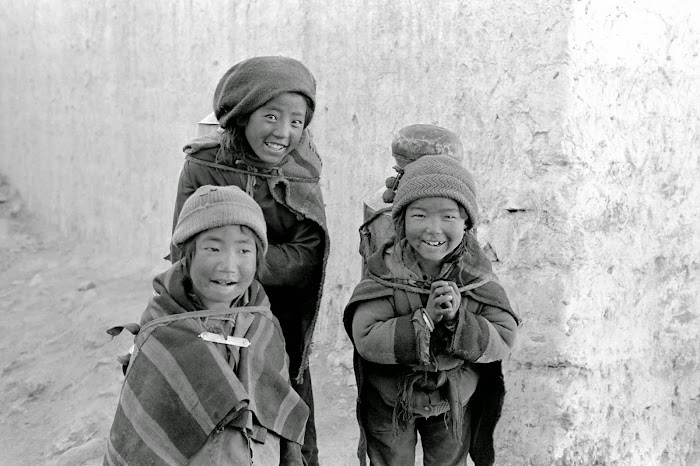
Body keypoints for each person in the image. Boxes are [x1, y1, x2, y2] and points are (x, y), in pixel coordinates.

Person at [170, 56, 329, 465]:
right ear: (241, 115)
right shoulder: (203, 167)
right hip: (212, 307)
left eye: (297, 121)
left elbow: (309, 256)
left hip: (279, 318)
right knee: (210, 415)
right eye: (271, 116)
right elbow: (185, 246)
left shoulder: (302, 176)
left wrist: (237, 260)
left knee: (288, 412)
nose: (283, 132)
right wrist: (232, 272)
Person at [104, 185, 308, 465]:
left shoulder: (263, 325)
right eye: (213, 248)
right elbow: (145, 436)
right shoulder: (164, 332)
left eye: (244, 250)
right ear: (187, 256)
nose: (228, 265)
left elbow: (278, 412)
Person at [344, 154, 520, 466]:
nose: (433, 230)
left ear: (466, 223)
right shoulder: (386, 272)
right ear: (401, 221)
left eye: (449, 217)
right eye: (420, 216)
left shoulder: (475, 277)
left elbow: (503, 337)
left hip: (454, 399)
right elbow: (367, 337)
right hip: (390, 399)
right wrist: (424, 319)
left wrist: (458, 320)